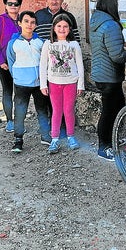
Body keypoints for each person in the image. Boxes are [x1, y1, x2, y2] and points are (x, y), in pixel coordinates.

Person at [89, 0, 126, 161]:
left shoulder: (96, 22)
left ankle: (111, 140)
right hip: (110, 76)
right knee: (109, 111)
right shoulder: (111, 25)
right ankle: (103, 146)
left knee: (117, 107)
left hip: (101, 74)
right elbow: (117, 55)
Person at [6, 11, 51, 152]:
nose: (29, 25)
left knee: (42, 110)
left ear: (36, 25)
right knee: (20, 111)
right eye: (26, 21)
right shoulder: (13, 43)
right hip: (21, 84)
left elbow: (46, 61)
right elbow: (11, 60)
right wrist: (18, 76)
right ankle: (18, 139)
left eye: (32, 22)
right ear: (19, 23)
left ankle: (45, 135)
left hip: (39, 83)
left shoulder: (41, 42)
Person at [40, 14, 85, 153]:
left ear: (70, 29)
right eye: (59, 26)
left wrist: (80, 84)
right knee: (56, 111)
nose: (62, 29)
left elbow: (79, 64)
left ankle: (71, 136)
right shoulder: (48, 44)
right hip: (54, 83)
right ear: (54, 28)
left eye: (65, 26)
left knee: (68, 110)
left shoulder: (73, 44)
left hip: (70, 82)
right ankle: (54, 138)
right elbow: (43, 65)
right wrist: (43, 84)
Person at [0, 0, 22, 133]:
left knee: (20, 93)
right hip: (4, 63)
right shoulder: (0, 21)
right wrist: (1, 61)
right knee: (8, 90)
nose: (13, 6)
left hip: (21, 63)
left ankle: (19, 121)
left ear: (20, 5)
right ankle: (10, 120)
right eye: (10, 4)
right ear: (5, 5)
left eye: (16, 4)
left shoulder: (23, 20)